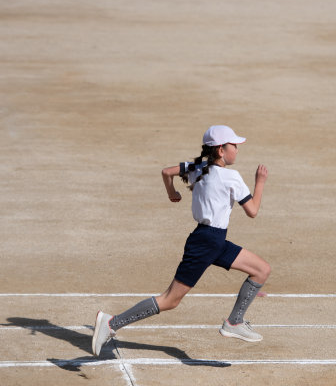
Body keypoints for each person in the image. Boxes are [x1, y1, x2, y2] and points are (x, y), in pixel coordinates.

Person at [92, 125, 271, 357]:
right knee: (170, 300)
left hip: (211, 240)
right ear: (220, 150)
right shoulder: (231, 177)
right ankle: (111, 323)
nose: (237, 150)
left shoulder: (198, 167)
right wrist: (260, 182)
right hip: (206, 243)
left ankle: (234, 322)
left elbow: (167, 172)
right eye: (233, 145)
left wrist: (171, 192)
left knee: (261, 270)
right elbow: (253, 211)